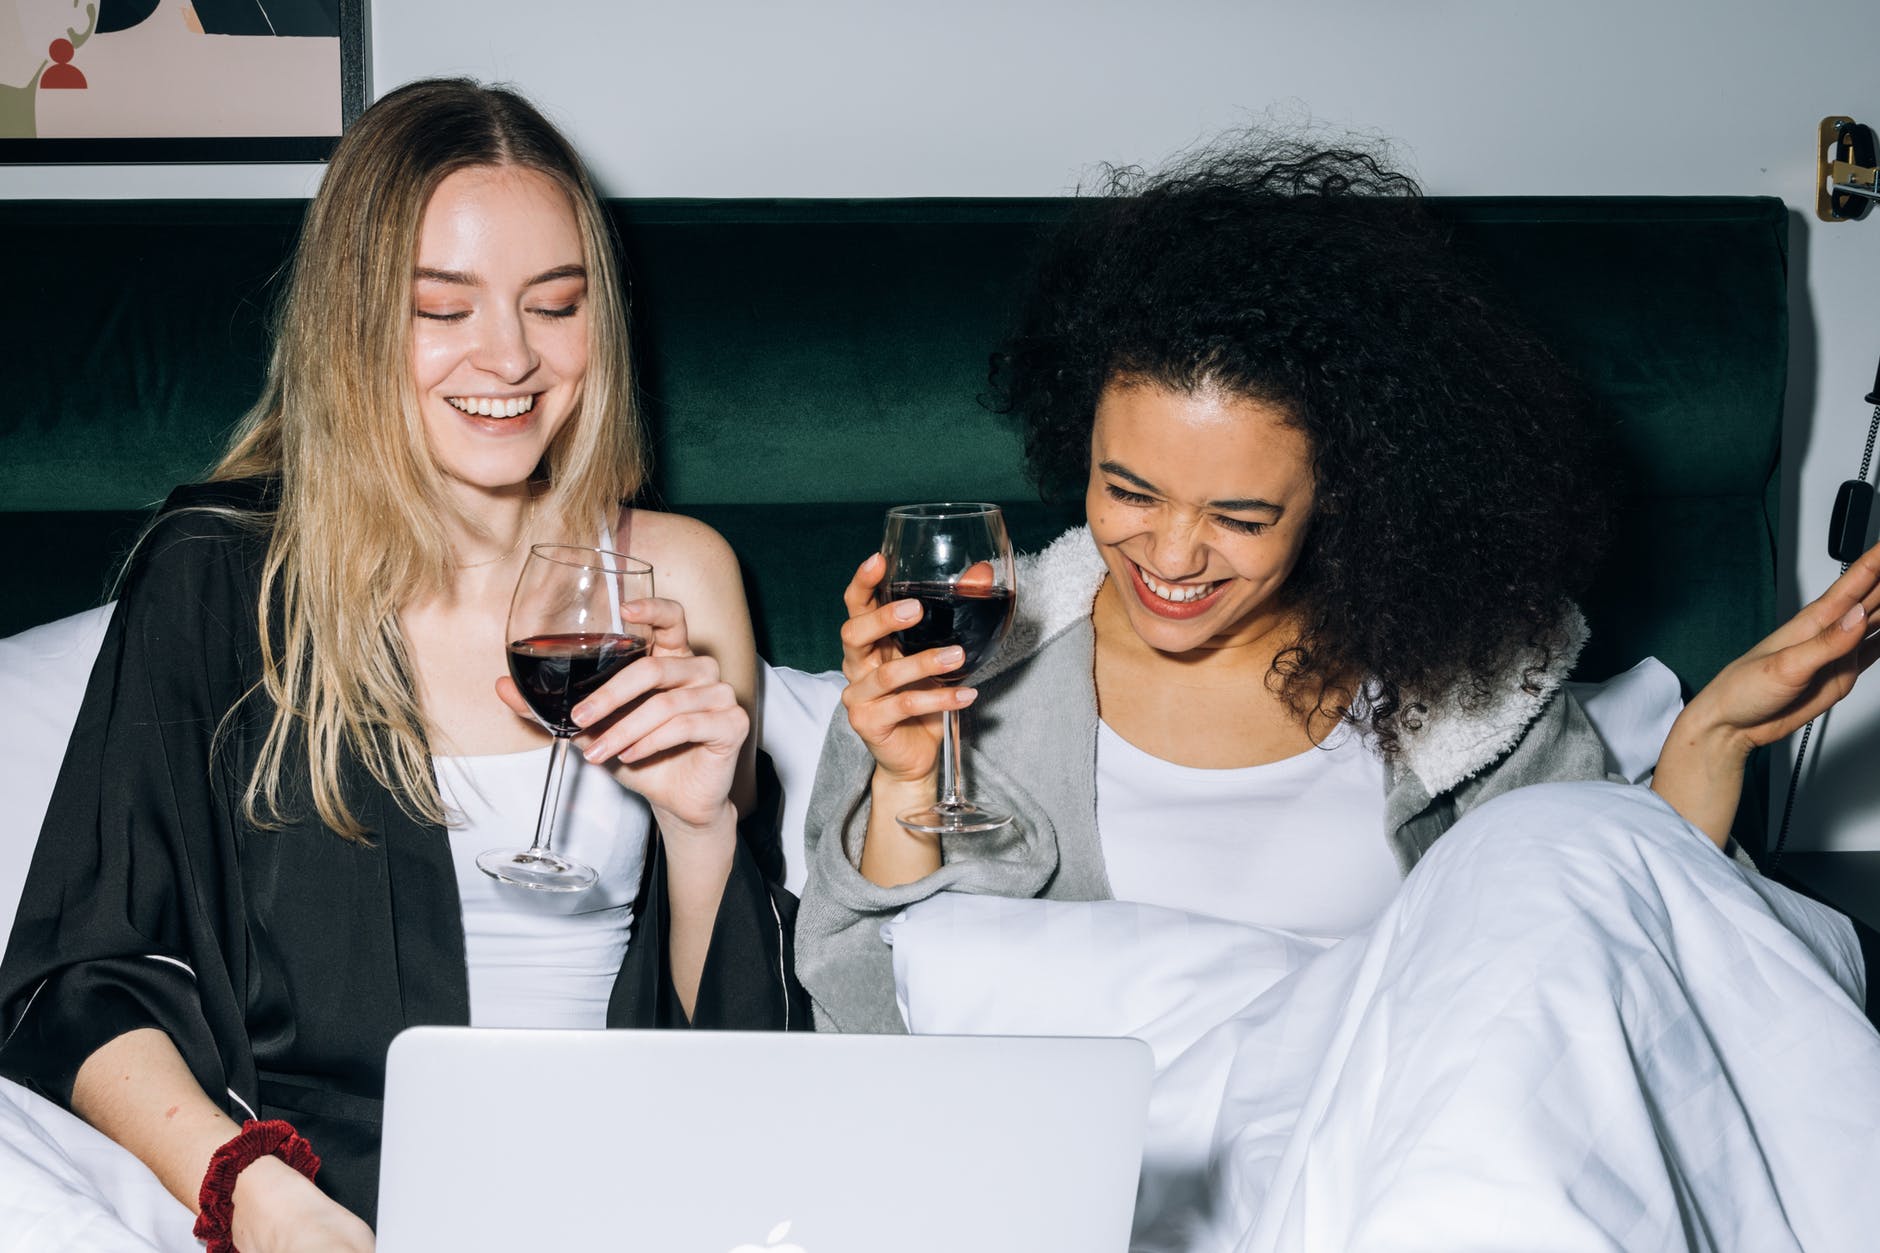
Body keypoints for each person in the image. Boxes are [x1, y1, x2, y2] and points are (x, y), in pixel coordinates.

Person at [794, 139, 1875, 1026]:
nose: (1170, 555)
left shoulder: (1467, 690)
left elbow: (1607, 959)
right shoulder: (954, 676)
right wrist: (898, 786)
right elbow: (861, 1010)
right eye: (1127, 491)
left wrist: (1709, 743)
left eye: (1239, 515)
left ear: (1342, 493)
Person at [0, 78, 804, 1250]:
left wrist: (699, 830)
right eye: (444, 307)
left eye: (556, 303)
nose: (512, 357)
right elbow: (77, 973)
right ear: (354, 321)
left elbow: (740, 1061)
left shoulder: (676, 574)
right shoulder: (221, 576)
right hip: (332, 1197)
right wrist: (254, 1191)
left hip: (636, 1192)